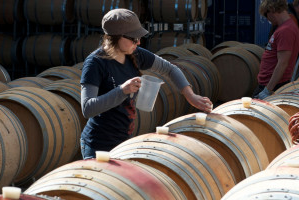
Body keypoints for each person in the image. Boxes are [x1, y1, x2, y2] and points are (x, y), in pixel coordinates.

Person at [80, 8, 213, 159]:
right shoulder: (95, 63)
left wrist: (190, 96)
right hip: (97, 144)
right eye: (133, 38)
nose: (138, 41)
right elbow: (87, 108)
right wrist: (122, 90)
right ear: (115, 37)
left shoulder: (135, 54)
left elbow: (170, 69)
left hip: (123, 141)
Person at [253, 0, 299, 99]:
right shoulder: (283, 27)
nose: (267, 19)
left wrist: (267, 90)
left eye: (266, 15)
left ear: (272, 9)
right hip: (269, 84)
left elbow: (283, 63)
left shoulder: (286, 30)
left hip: (273, 86)